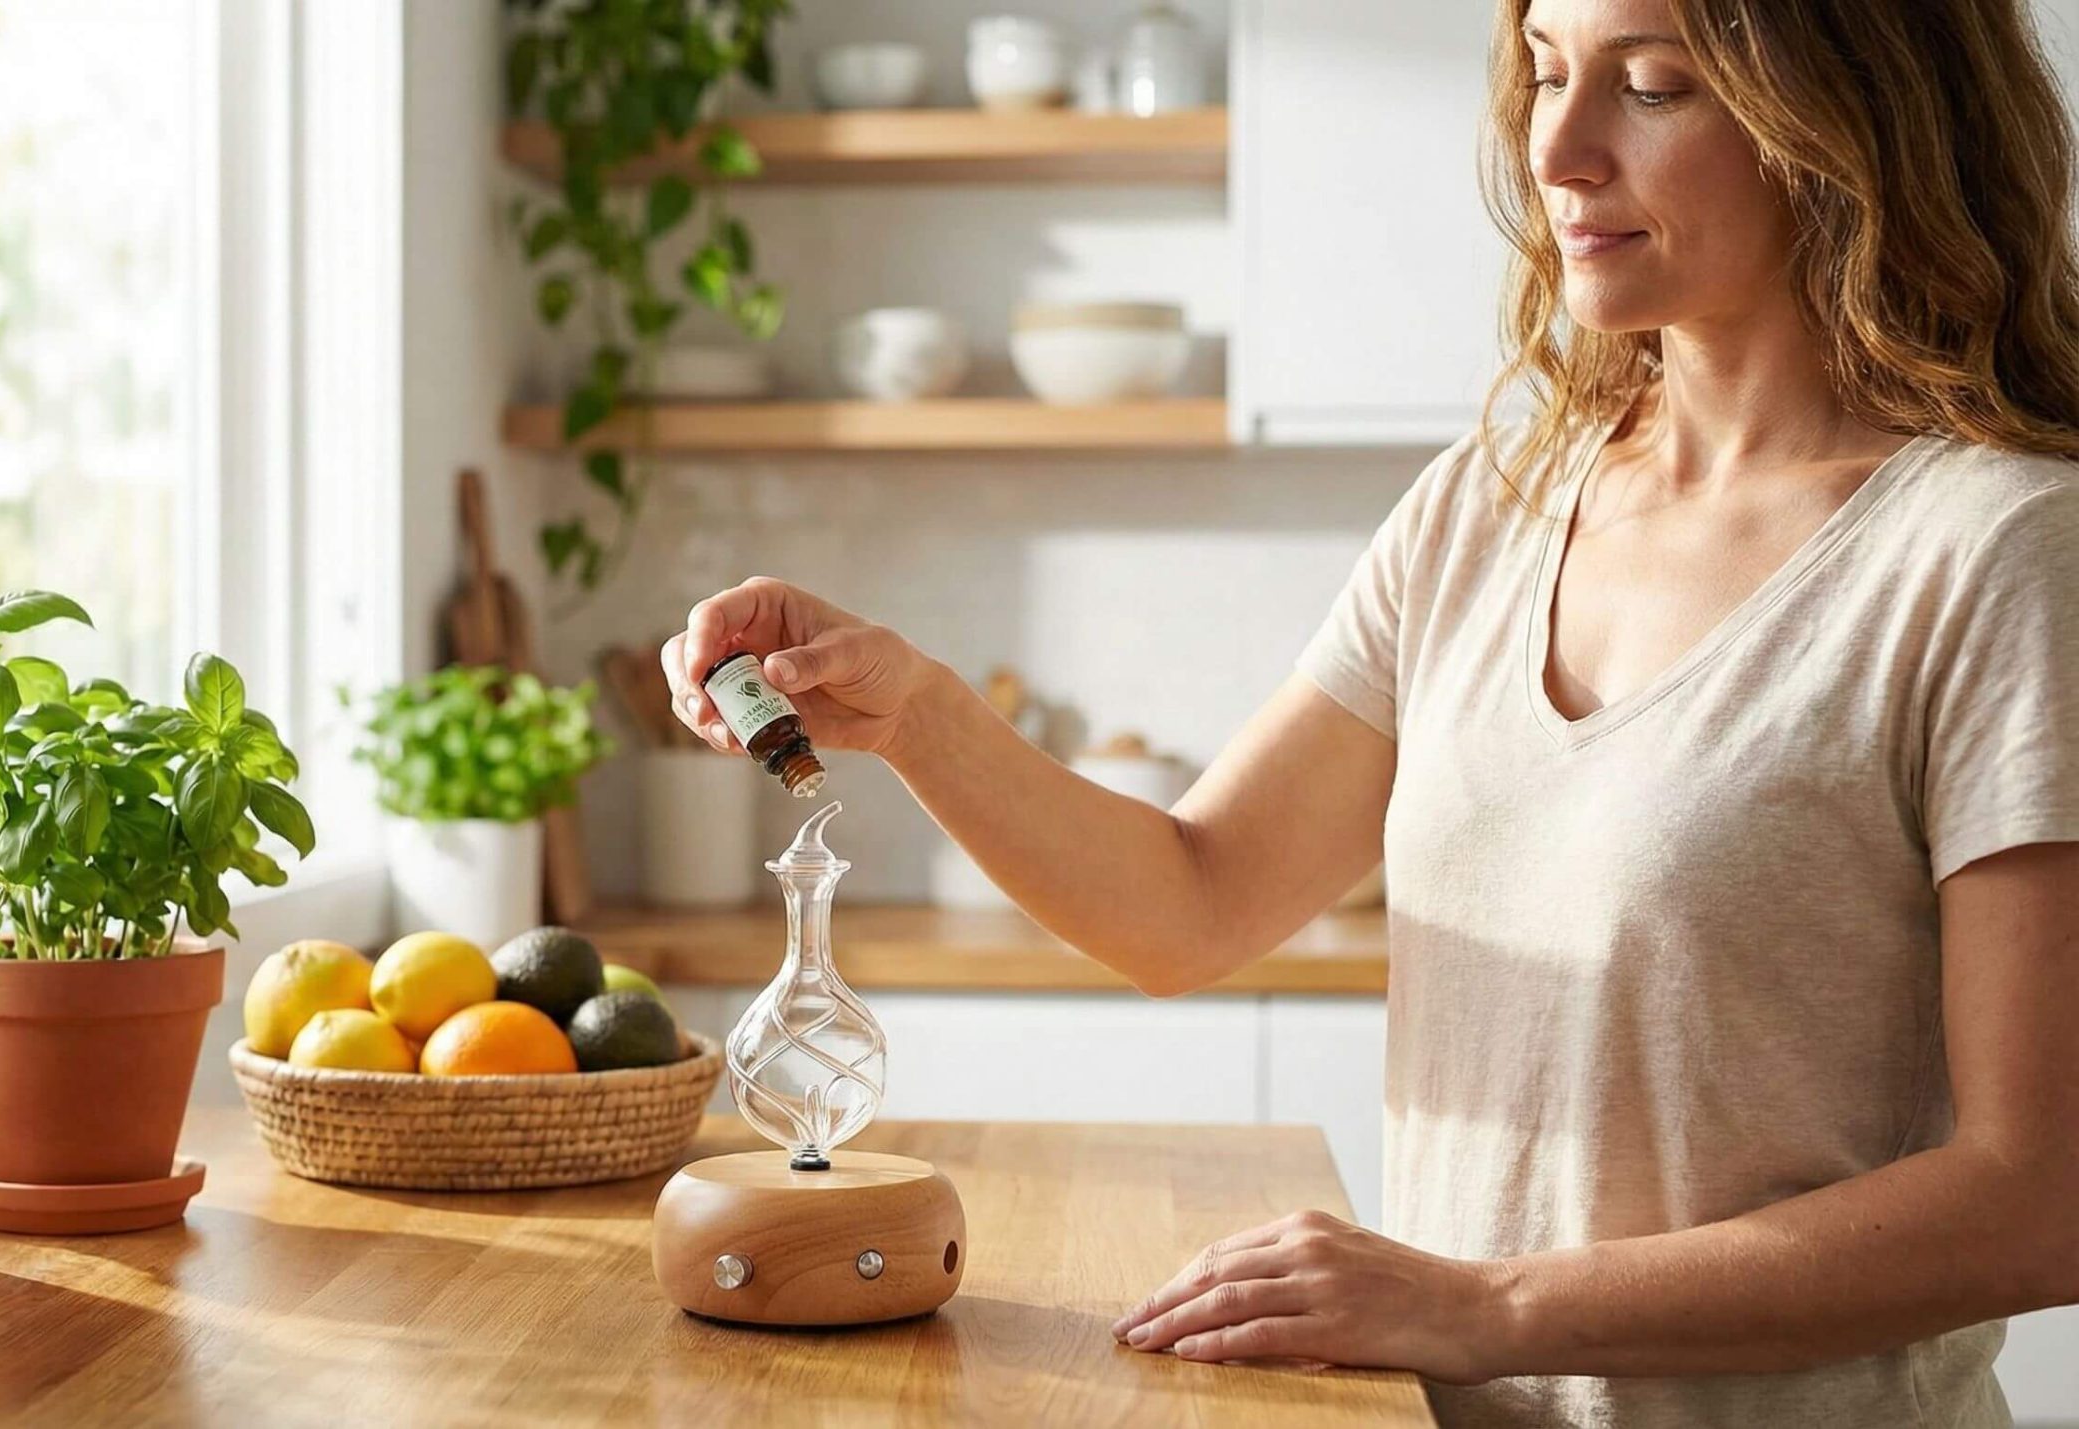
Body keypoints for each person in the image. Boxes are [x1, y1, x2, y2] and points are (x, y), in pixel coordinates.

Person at [658, 0, 2079, 1423]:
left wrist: (1479, 1303)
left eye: (1653, 88)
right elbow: (1190, 900)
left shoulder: (1998, 553)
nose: (1561, 151)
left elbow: (2041, 1193)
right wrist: (910, 710)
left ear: (1852, 125)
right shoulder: (1495, 499)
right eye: (1544, 76)